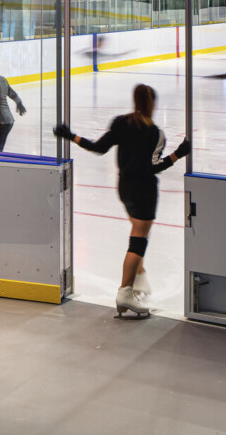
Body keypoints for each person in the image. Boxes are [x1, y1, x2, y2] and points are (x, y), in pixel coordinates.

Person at [53, 85, 190, 319]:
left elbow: (98, 148)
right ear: (152, 104)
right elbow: (154, 167)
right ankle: (125, 292)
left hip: (124, 188)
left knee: (136, 234)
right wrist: (179, 153)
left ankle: (139, 279)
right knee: (138, 241)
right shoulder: (155, 133)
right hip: (144, 191)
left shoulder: (120, 123)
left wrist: (70, 135)